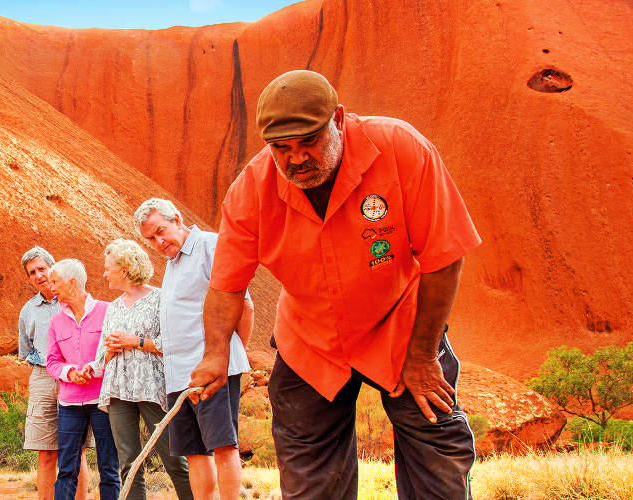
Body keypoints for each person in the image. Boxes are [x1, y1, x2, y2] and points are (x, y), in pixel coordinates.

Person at [191, 69, 480, 499]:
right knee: (309, 477)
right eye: (281, 148)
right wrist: (215, 354)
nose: (296, 159)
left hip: (400, 324)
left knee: (437, 454)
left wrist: (422, 355)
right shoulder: (251, 191)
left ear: (339, 120)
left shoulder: (401, 148)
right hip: (311, 338)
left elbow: (444, 256)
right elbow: (227, 285)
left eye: (309, 142)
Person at [134, 198, 254, 500]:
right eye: (151, 238)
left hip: (212, 370)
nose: (159, 241)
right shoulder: (171, 265)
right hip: (179, 376)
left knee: (224, 446)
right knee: (194, 452)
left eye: (161, 231)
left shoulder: (209, 246)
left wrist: (229, 356)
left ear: (177, 218)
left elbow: (245, 304)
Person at [92, 238, 193, 500]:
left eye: (108, 268)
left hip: (152, 387)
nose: (104, 274)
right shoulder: (112, 307)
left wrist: (135, 342)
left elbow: (173, 343)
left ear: (124, 270)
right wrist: (111, 349)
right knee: (128, 464)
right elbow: (101, 355)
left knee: (174, 458)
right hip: (118, 390)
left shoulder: (160, 299)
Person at [17, 246, 93, 500]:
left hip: (75, 378)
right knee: (46, 451)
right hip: (42, 378)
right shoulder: (28, 311)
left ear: (53, 268)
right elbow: (26, 349)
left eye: (42, 268)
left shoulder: (74, 302)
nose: (38, 275)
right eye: (32, 272)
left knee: (77, 450)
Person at [44, 259, 120, 500]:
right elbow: (52, 362)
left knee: (109, 467)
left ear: (72, 283)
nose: (51, 287)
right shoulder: (56, 321)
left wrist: (94, 370)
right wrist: (71, 373)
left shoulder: (108, 311)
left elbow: (117, 352)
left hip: (103, 401)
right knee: (66, 469)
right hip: (70, 404)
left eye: (55, 282)